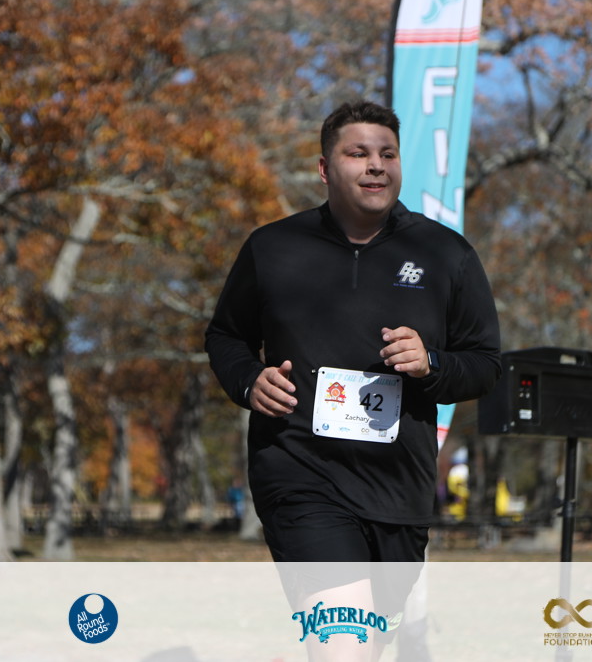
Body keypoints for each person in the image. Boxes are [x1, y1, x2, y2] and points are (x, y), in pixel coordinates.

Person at [205, 100, 501, 565]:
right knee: (344, 611)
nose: (376, 166)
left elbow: (485, 364)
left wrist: (431, 363)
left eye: (388, 154)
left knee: (374, 614)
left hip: (399, 487)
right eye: (358, 153)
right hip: (299, 474)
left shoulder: (446, 254)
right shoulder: (274, 247)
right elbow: (225, 335)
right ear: (325, 169)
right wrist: (249, 380)